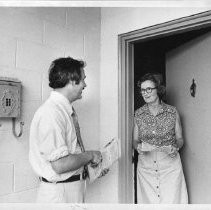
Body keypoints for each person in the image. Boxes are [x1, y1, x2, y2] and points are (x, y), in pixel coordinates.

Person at [29, 57, 103, 203]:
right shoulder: (52, 113)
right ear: (71, 80)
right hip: (60, 195)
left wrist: (89, 166)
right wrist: (90, 155)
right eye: (82, 79)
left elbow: (69, 153)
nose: (85, 84)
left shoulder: (62, 110)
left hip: (70, 190)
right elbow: (60, 165)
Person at [133, 73, 188, 204]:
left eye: (149, 89)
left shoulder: (172, 111)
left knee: (172, 201)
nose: (145, 93)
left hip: (170, 166)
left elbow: (180, 138)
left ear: (158, 89)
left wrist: (176, 147)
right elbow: (135, 140)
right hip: (147, 166)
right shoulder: (138, 114)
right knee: (149, 203)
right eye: (142, 90)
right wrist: (138, 147)